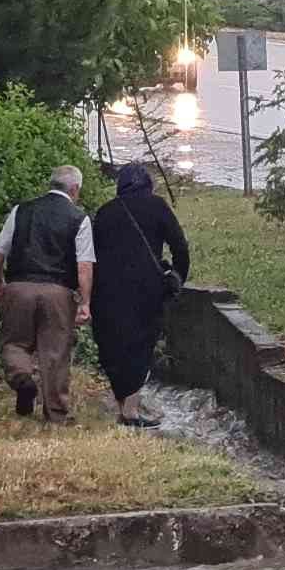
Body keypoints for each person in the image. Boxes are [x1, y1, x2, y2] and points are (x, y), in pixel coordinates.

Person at [0, 166, 96, 424]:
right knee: (55, 351)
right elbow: (84, 265)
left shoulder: (20, 211)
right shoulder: (78, 218)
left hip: (19, 287)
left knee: (14, 343)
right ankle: (56, 413)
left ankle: (22, 378)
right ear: (75, 189)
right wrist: (85, 301)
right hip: (57, 292)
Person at [89, 164, 190, 429]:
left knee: (112, 344)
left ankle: (124, 406)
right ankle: (130, 412)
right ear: (148, 184)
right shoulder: (157, 206)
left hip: (106, 290)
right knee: (141, 344)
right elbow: (180, 246)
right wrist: (178, 276)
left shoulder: (105, 212)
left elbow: (92, 255)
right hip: (146, 288)